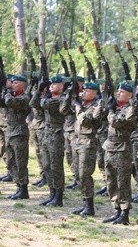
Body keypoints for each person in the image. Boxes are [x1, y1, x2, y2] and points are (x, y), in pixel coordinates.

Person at [62, 81, 104, 216]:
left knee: (85, 174)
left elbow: (85, 120)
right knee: (78, 174)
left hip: (88, 142)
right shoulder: (82, 104)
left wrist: (78, 107)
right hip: (76, 141)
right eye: (83, 90)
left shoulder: (97, 106)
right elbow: (63, 110)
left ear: (94, 93)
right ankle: (85, 203)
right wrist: (69, 96)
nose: (83, 92)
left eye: (87, 91)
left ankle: (89, 206)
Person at [102, 81, 138, 225]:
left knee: (122, 181)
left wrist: (110, 111)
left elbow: (116, 122)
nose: (118, 93)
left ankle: (124, 212)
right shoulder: (117, 107)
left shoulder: (130, 109)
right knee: (111, 180)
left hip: (122, 148)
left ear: (130, 95)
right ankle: (116, 209)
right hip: (110, 146)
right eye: (118, 91)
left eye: (122, 92)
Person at [30, 76, 68, 207]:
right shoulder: (48, 97)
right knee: (46, 165)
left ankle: (58, 196)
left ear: (62, 86)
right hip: (46, 134)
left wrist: (44, 95)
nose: (51, 85)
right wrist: (39, 90)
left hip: (57, 134)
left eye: (55, 84)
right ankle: (52, 193)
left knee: (56, 166)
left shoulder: (62, 99)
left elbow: (45, 104)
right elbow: (33, 104)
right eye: (51, 84)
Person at [1, 75, 31, 199]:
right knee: (10, 161)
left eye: (15, 83)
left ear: (23, 85)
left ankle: (23, 188)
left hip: (19, 132)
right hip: (10, 131)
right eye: (12, 82)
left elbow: (9, 102)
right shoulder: (11, 95)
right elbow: (3, 102)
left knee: (20, 162)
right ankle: (18, 185)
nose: (12, 84)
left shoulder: (24, 98)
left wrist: (7, 92)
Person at [63, 76, 84, 190]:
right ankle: (76, 178)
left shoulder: (82, 98)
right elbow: (63, 110)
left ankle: (80, 180)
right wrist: (68, 95)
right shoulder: (70, 96)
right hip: (67, 129)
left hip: (76, 131)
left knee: (76, 158)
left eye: (78, 84)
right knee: (69, 156)